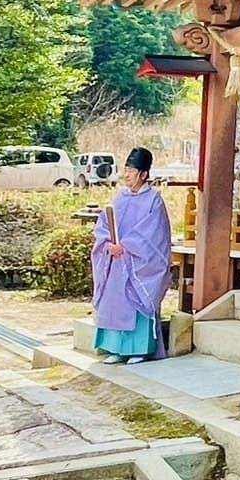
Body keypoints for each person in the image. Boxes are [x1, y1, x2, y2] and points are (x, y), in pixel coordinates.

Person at [91, 147, 173, 364]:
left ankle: (140, 349)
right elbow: (104, 224)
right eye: (125, 170)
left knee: (137, 300)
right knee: (115, 302)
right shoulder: (120, 197)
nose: (127, 175)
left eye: (132, 170)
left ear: (144, 174)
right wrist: (108, 243)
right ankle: (115, 348)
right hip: (117, 261)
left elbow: (153, 235)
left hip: (138, 263)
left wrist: (126, 246)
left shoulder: (154, 200)